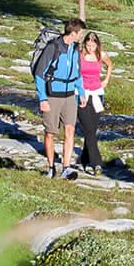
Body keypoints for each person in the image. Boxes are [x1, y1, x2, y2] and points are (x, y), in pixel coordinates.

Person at [35, 17, 86, 179]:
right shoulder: (53, 48)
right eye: (80, 33)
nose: (81, 36)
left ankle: (66, 168)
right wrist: (43, 98)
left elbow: (77, 73)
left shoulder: (75, 49)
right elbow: (39, 74)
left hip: (70, 95)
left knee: (70, 130)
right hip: (52, 95)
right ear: (73, 32)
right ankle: (50, 168)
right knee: (50, 132)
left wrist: (82, 92)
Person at [78, 30, 113, 174]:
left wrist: (106, 80)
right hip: (82, 94)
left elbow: (110, 66)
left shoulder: (101, 55)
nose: (90, 48)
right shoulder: (79, 55)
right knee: (88, 129)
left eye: (92, 45)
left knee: (91, 129)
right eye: (87, 45)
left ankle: (85, 160)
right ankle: (97, 163)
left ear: (97, 45)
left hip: (97, 94)